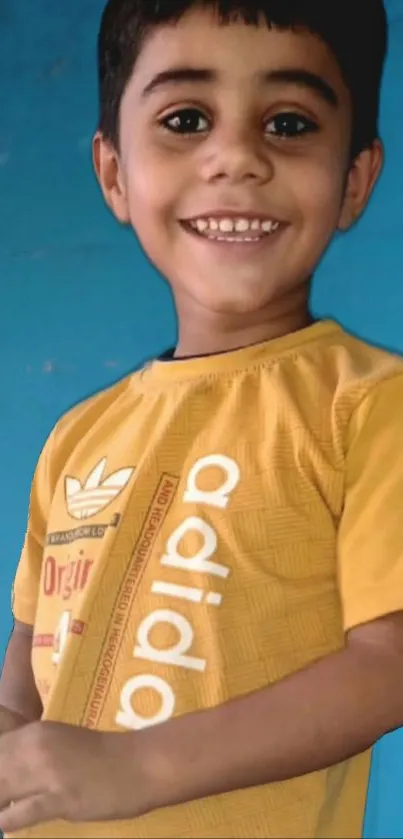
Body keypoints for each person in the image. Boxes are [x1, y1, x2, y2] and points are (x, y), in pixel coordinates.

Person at [0, 0, 402, 836]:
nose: (236, 158)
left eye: (288, 122)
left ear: (355, 180)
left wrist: (134, 765)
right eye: (186, 118)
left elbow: (390, 663)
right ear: (114, 173)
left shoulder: (369, 406)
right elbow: (29, 669)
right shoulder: (76, 438)